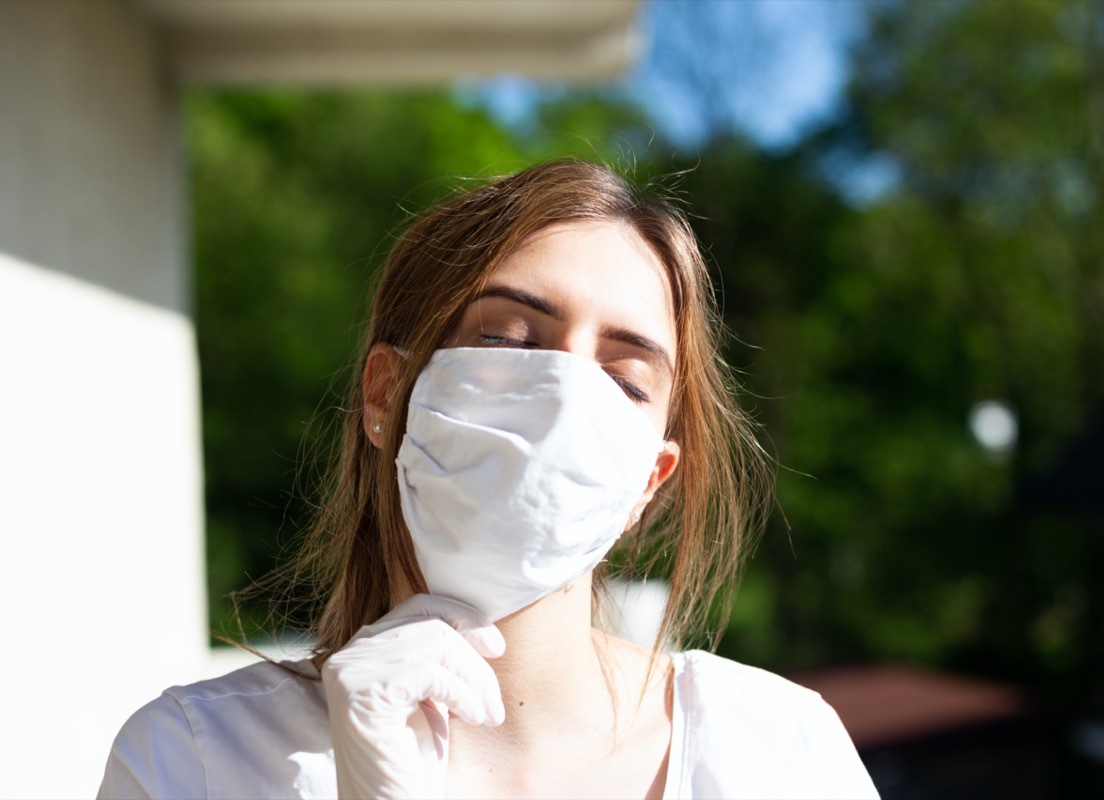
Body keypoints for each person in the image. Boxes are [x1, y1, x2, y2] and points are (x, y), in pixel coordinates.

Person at [98, 159, 878, 799]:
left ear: (651, 477)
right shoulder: (190, 764)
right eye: (509, 337)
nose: (567, 397)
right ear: (383, 394)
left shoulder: (781, 756)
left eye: (627, 379)